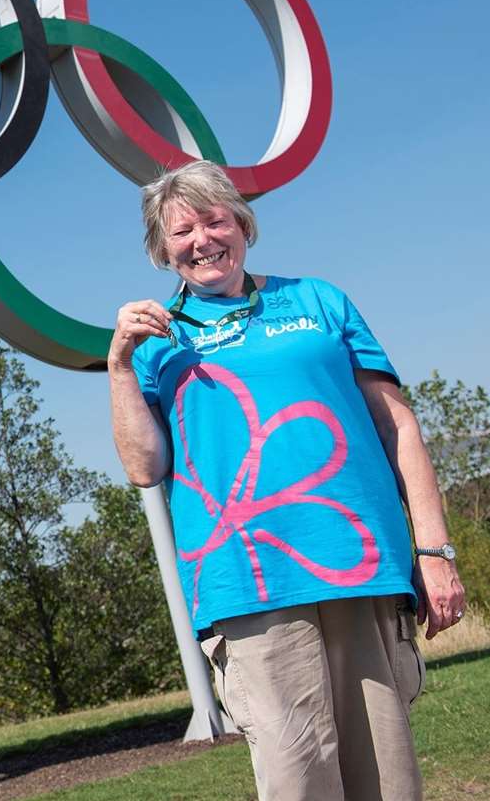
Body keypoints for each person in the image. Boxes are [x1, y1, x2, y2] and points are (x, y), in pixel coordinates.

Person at [108, 160, 465, 801]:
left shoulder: (320, 301)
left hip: (361, 562)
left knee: (388, 778)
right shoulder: (158, 340)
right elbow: (144, 467)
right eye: (183, 230)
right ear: (162, 250)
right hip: (245, 581)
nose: (202, 240)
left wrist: (435, 551)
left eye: (215, 220)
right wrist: (119, 366)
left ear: (243, 225)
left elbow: (399, 428)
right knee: (298, 778)